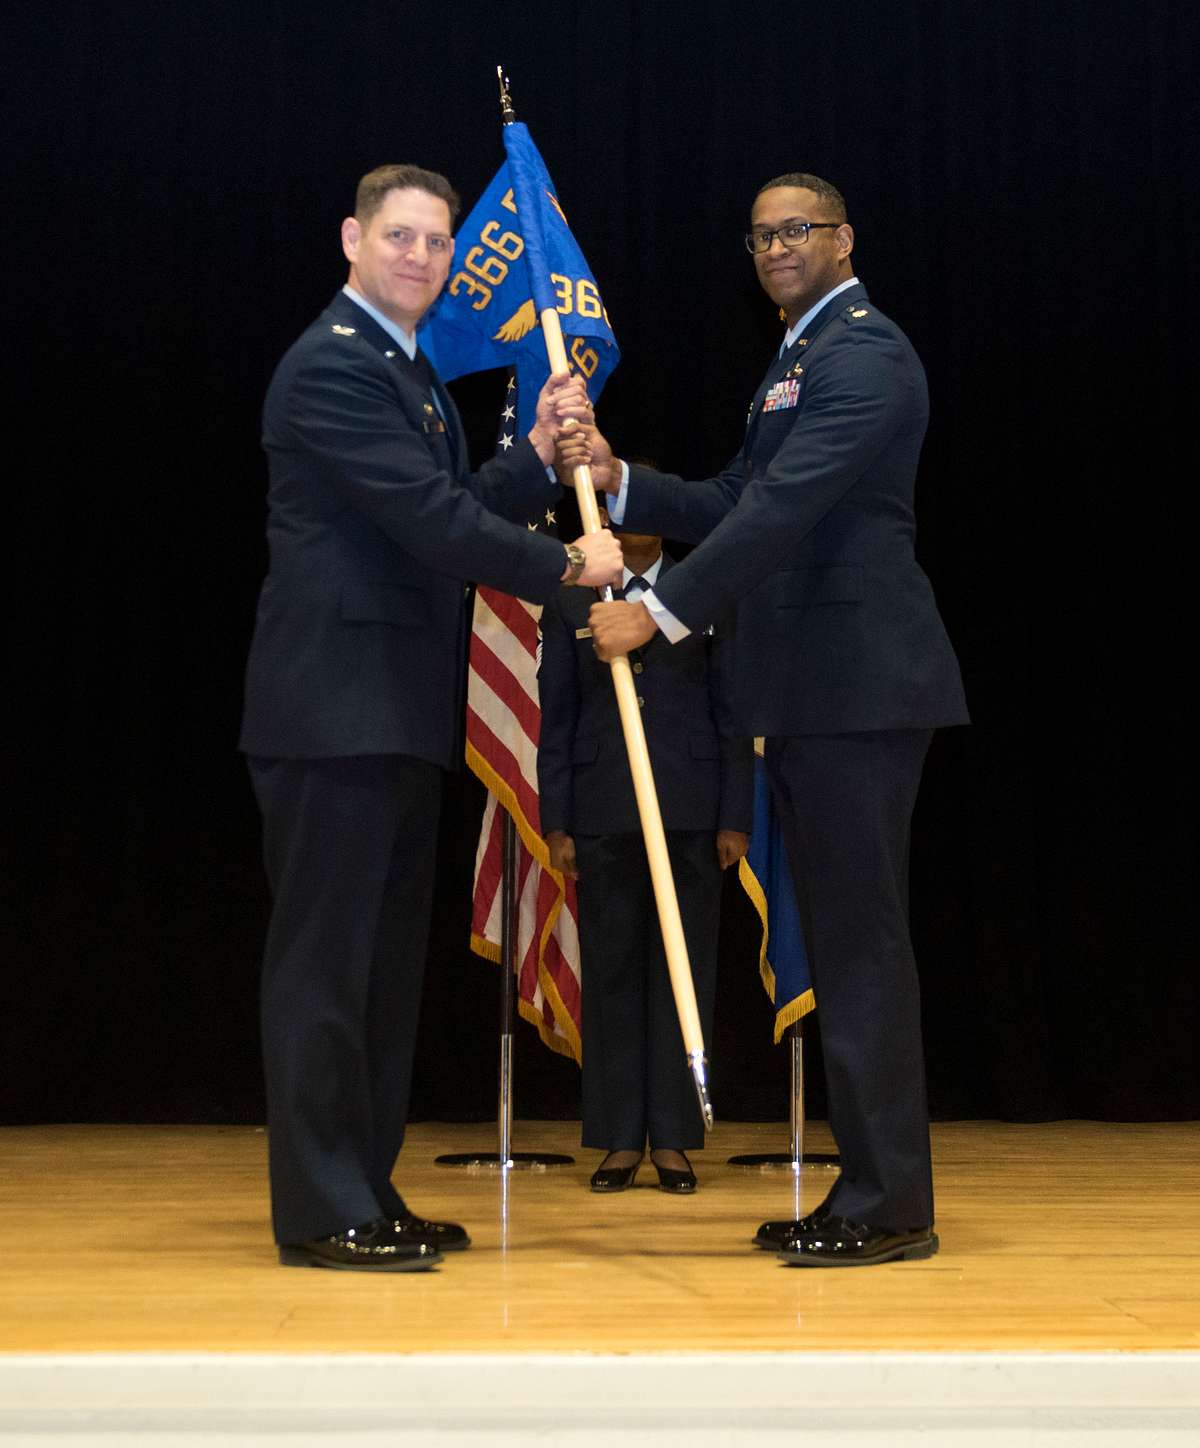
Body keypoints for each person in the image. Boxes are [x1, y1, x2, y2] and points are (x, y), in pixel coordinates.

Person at [239, 163, 622, 1272]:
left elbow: (455, 505)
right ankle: (322, 1208)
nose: (418, 255)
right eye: (397, 235)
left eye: (436, 241)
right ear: (350, 240)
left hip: (395, 714)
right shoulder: (332, 367)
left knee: (378, 973)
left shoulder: (404, 375)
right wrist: (569, 563)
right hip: (329, 712)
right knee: (323, 968)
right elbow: (428, 523)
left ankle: (366, 1186)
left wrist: (538, 451)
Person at [583, 173, 969, 1266]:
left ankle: (891, 1203)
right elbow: (729, 500)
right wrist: (623, 485)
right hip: (810, 692)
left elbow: (784, 510)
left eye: (794, 228)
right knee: (848, 942)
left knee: (860, 946)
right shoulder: (797, 359)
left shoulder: (866, 354)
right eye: (757, 235)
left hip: (860, 686)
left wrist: (654, 613)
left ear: (843, 239)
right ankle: (866, 1185)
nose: (773, 247)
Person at [537, 494, 753, 1193]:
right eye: (620, 510)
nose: (633, 520)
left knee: (684, 974)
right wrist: (559, 821)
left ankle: (675, 1142)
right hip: (604, 809)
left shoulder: (706, 590)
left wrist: (733, 815)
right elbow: (558, 716)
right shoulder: (572, 600)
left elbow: (731, 710)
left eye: (647, 505)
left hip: (690, 809)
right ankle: (620, 1139)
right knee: (613, 973)